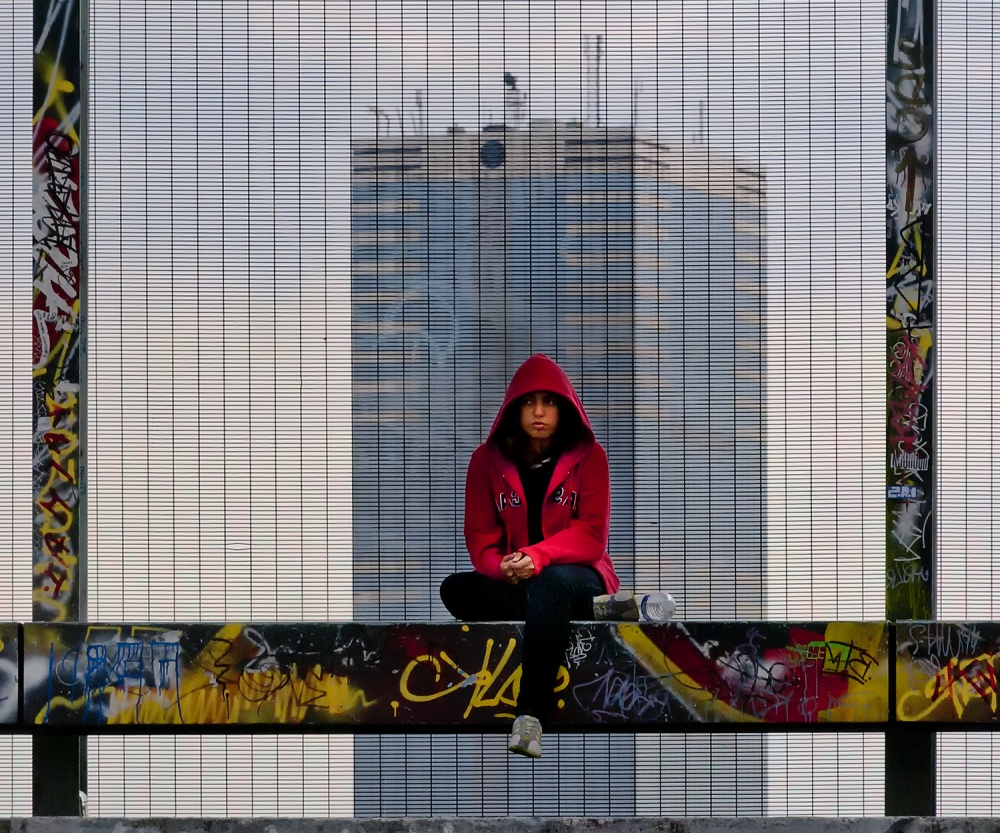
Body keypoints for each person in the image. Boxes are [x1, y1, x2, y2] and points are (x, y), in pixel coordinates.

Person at [439, 353, 636, 758]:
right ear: (514, 410)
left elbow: (592, 537)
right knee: (455, 589)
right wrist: (501, 567)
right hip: (523, 580)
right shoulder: (485, 462)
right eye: (529, 402)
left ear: (565, 409)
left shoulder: (591, 457)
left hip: (579, 572)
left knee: (551, 584)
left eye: (549, 402)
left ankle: (530, 715)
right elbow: (480, 537)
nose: (539, 412)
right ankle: (594, 611)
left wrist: (538, 555)